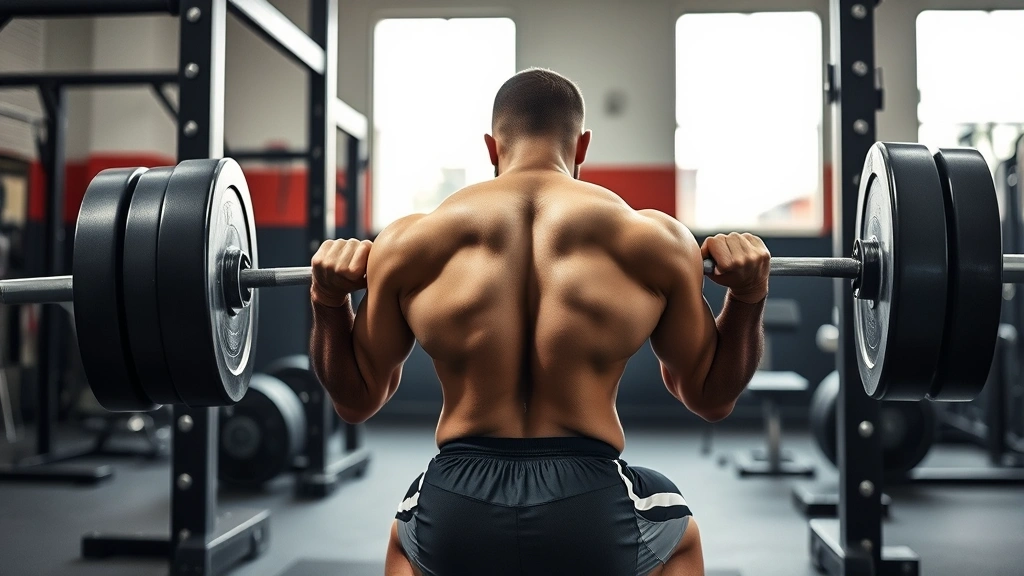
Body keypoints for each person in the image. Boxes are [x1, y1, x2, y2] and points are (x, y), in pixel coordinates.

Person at [309, 68, 770, 576]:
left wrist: (327, 301)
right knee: (679, 533)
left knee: (406, 536)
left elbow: (356, 402)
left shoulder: (407, 244)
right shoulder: (655, 240)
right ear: (582, 146)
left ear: (491, 147)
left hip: (459, 507)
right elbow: (709, 398)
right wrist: (748, 296)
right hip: (590, 510)